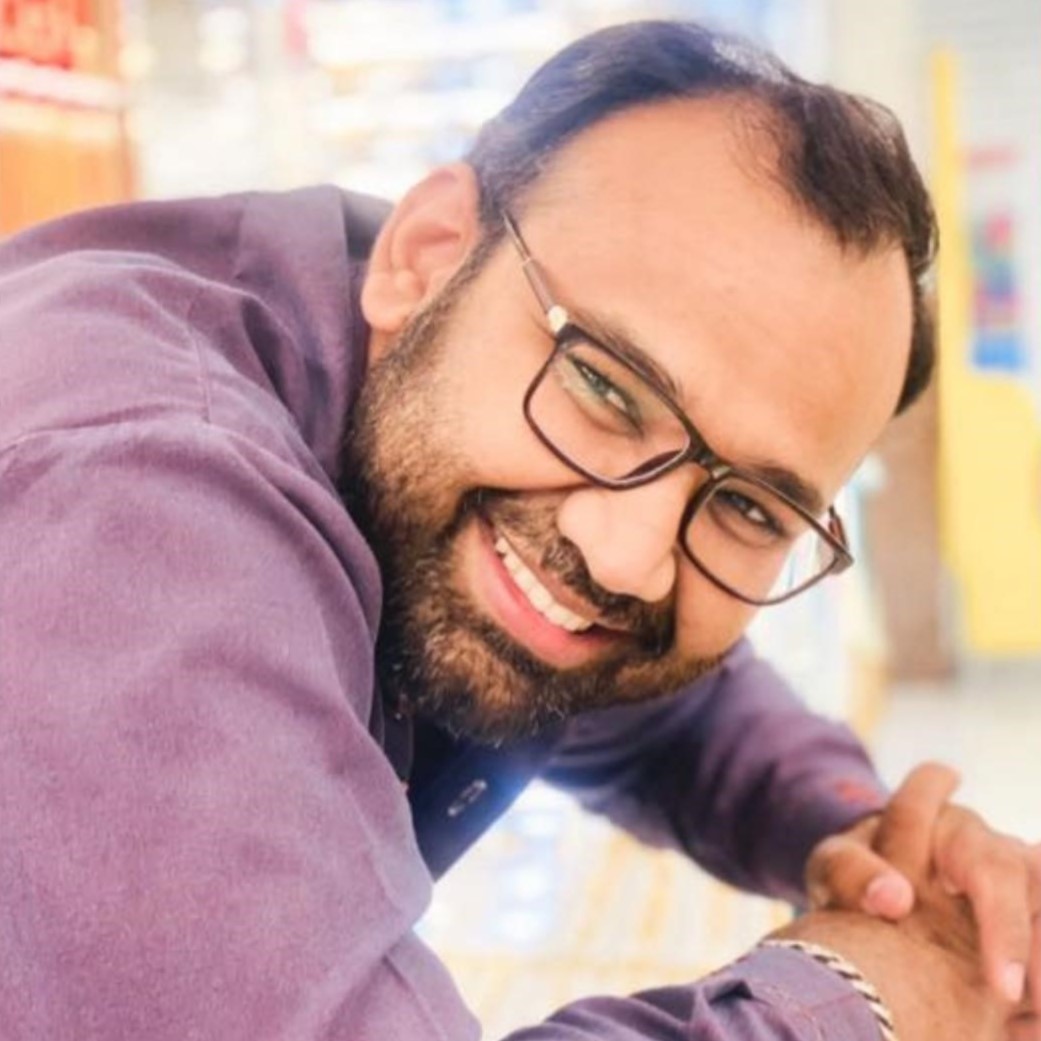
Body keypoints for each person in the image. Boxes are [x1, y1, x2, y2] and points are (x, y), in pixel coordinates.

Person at [0, 18, 1037, 1041]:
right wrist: (873, 993)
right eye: (604, 388)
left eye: (750, 507)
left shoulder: (449, 358)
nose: (626, 558)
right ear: (424, 257)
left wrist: (857, 834)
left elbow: (669, 716)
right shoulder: (126, 501)